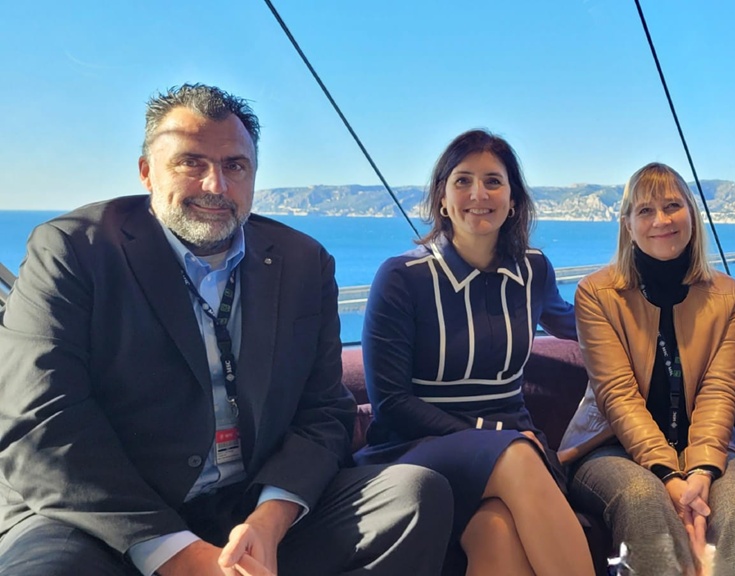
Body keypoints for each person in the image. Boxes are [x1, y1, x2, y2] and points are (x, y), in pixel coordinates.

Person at [0, 84, 452, 576]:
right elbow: (39, 419)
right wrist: (177, 553)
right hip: (110, 516)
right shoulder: (73, 250)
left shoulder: (303, 262)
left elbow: (324, 412)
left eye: (235, 166)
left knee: (413, 498)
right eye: (191, 162)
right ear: (147, 172)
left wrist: (271, 520)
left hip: (248, 507)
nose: (216, 185)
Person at [354, 129, 591, 576]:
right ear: (442, 198)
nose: (477, 194)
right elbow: (390, 404)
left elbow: (583, 325)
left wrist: (658, 313)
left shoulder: (533, 270)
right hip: (415, 447)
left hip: (514, 448)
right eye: (462, 181)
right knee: (516, 455)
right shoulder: (402, 278)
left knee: (497, 534)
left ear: (514, 200)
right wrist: (486, 433)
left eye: (493, 181)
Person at [559, 162, 735, 576]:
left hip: (710, 447)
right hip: (610, 445)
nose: (661, 220)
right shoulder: (597, 294)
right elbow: (616, 395)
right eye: (645, 211)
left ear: (691, 213)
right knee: (643, 497)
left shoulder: (729, 297)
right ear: (627, 224)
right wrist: (668, 475)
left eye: (672, 206)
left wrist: (701, 469)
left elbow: (719, 391)